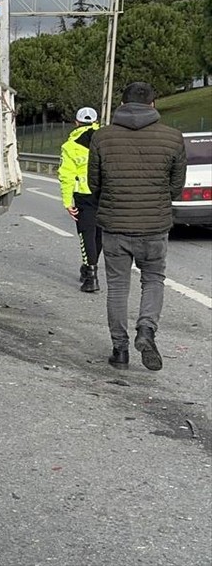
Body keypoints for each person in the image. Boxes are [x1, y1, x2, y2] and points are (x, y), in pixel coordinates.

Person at [87, 81, 186, 371]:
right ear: (153, 104)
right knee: (153, 279)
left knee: (117, 288)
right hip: (154, 227)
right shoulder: (173, 138)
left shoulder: (102, 138)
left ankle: (120, 351)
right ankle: (146, 330)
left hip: (115, 227)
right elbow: (176, 188)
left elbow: (95, 184)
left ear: (121, 104)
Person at [58, 106, 102, 292]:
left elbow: (66, 175)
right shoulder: (106, 139)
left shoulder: (70, 146)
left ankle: (90, 275)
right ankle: (90, 267)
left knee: (86, 233)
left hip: (84, 194)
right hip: (106, 192)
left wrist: (67, 202)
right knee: (99, 233)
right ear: (95, 121)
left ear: (76, 123)